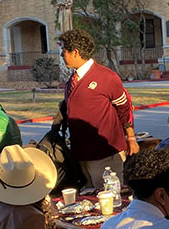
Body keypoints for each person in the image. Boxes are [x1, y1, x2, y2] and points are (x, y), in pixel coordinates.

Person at [58, 29, 139, 190]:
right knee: (90, 204)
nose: (61, 55)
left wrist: (131, 138)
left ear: (75, 52)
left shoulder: (107, 77)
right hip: (82, 155)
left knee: (111, 202)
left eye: (64, 50)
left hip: (105, 155)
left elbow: (124, 109)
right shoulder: (72, 80)